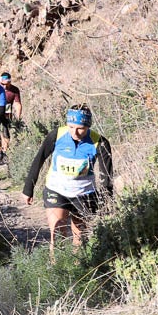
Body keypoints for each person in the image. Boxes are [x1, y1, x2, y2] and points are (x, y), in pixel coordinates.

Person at [21, 104, 113, 249]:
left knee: (80, 239)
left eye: (80, 128)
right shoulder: (56, 135)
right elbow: (39, 159)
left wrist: (107, 202)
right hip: (56, 190)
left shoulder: (99, 142)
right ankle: (55, 261)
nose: (74, 132)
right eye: (70, 127)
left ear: (88, 126)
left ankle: (77, 262)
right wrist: (28, 188)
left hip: (84, 194)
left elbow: (106, 177)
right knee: (57, 233)